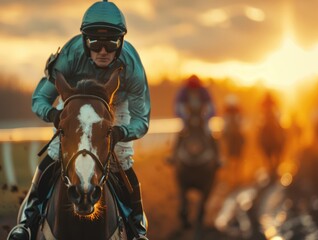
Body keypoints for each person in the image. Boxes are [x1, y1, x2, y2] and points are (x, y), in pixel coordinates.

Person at [8, 1, 150, 240]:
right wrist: (55, 116)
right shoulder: (69, 55)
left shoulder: (132, 66)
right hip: (74, 99)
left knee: (123, 160)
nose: (103, 51)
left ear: (121, 42)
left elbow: (142, 120)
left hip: (116, 105)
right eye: (95, 42)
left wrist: (119, 133)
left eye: (111, 43)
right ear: (85, 40)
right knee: (55, 152)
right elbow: (40, 99)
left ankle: (137, 227)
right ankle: (27, 221)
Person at [167, 75, 217, 164]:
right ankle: (174, 156)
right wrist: (185, 118)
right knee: (181, 134)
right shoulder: (183, 91)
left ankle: (217, 158)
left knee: (209, 134)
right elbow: (178, 107)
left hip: (202, 119)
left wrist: (206, 118)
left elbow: (211, 107)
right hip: (188, 119)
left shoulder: (203, 91)